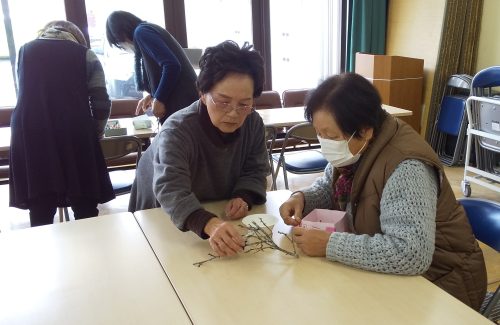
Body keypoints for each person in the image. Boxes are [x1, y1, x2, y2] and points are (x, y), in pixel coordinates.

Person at [279, 73, 487, 311]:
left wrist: (330, 244)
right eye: (319, 134)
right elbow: (329, 184)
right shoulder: (356, 147)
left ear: (365, 130)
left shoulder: (408, 167)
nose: (325, 143)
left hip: (443, 286)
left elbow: (411, 254)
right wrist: (302, 199)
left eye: (332, 136)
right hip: (396, 277)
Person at [129, 41, 269, 257]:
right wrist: (209, 224)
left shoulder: (253, 123)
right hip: (163, 210)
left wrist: (244, 196)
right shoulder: (177, 130)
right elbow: (171, 188)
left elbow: (256, 168)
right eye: (223, 102)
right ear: (203, 94)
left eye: (244, 104)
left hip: (212, 206)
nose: (233, 113)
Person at [9, 20, 115, 227]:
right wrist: (96, 131)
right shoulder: (84, 54)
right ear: (74, 36)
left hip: (30, 133)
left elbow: (25, 93)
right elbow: (101, 101)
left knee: (40, 204)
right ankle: (89, 251)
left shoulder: (24, 52)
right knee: (84, 202)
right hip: (74, 131)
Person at [106, 11, 198, 124]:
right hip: (187, 101)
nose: (123, 47)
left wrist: (159, 98)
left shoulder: (141, 32)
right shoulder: (147, 29)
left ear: (120, 34)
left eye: (119, 43)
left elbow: (172, 65)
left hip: (183, 103)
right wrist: (153, 95)